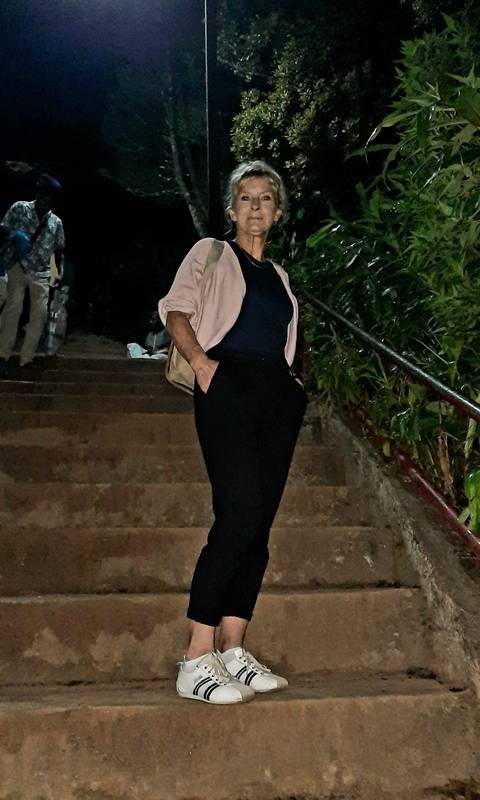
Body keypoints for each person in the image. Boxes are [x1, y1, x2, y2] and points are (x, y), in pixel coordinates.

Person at [158, 160, 307, 705]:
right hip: (226, 382)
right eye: (245, 197)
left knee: (260, 526)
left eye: (266, 198)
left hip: (275, 394)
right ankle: (197, 655)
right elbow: (177, 311)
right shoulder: (210, 253)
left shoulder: (281, 278)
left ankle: (234, 649)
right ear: (231, 209)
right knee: (239, 511)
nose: (255, 206)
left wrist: (291, 387)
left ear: (278, 212)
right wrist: (202, 365)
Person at [0, 174, 65, 378]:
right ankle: (3, 356)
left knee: (40, 314)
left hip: (41, 272)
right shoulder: (20, 208)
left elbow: (58, 249)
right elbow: (2, 230)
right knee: (13, 309)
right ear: (37, 194)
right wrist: (14, 236)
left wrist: (58, 271)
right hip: (17, 266)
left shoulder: (56, 222)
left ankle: (26, 359)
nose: (47, 201)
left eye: (51, 198)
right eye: (44, 196)